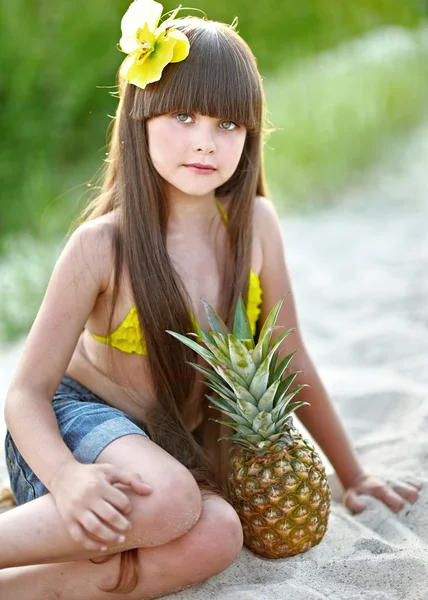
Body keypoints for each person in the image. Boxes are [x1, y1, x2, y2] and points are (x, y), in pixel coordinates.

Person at [0, 1, 420, 598]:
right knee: (170, 501)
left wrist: (353, 475)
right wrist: (66, 478)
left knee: (218, 533)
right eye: (184, 116)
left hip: (164, 456)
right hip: (73, 436)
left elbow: (288, 355)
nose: (205, 143)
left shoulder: (256, 227)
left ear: (250, 134)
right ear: (139, 118)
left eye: (228, 124)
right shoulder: (103, 246)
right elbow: (24, 393)